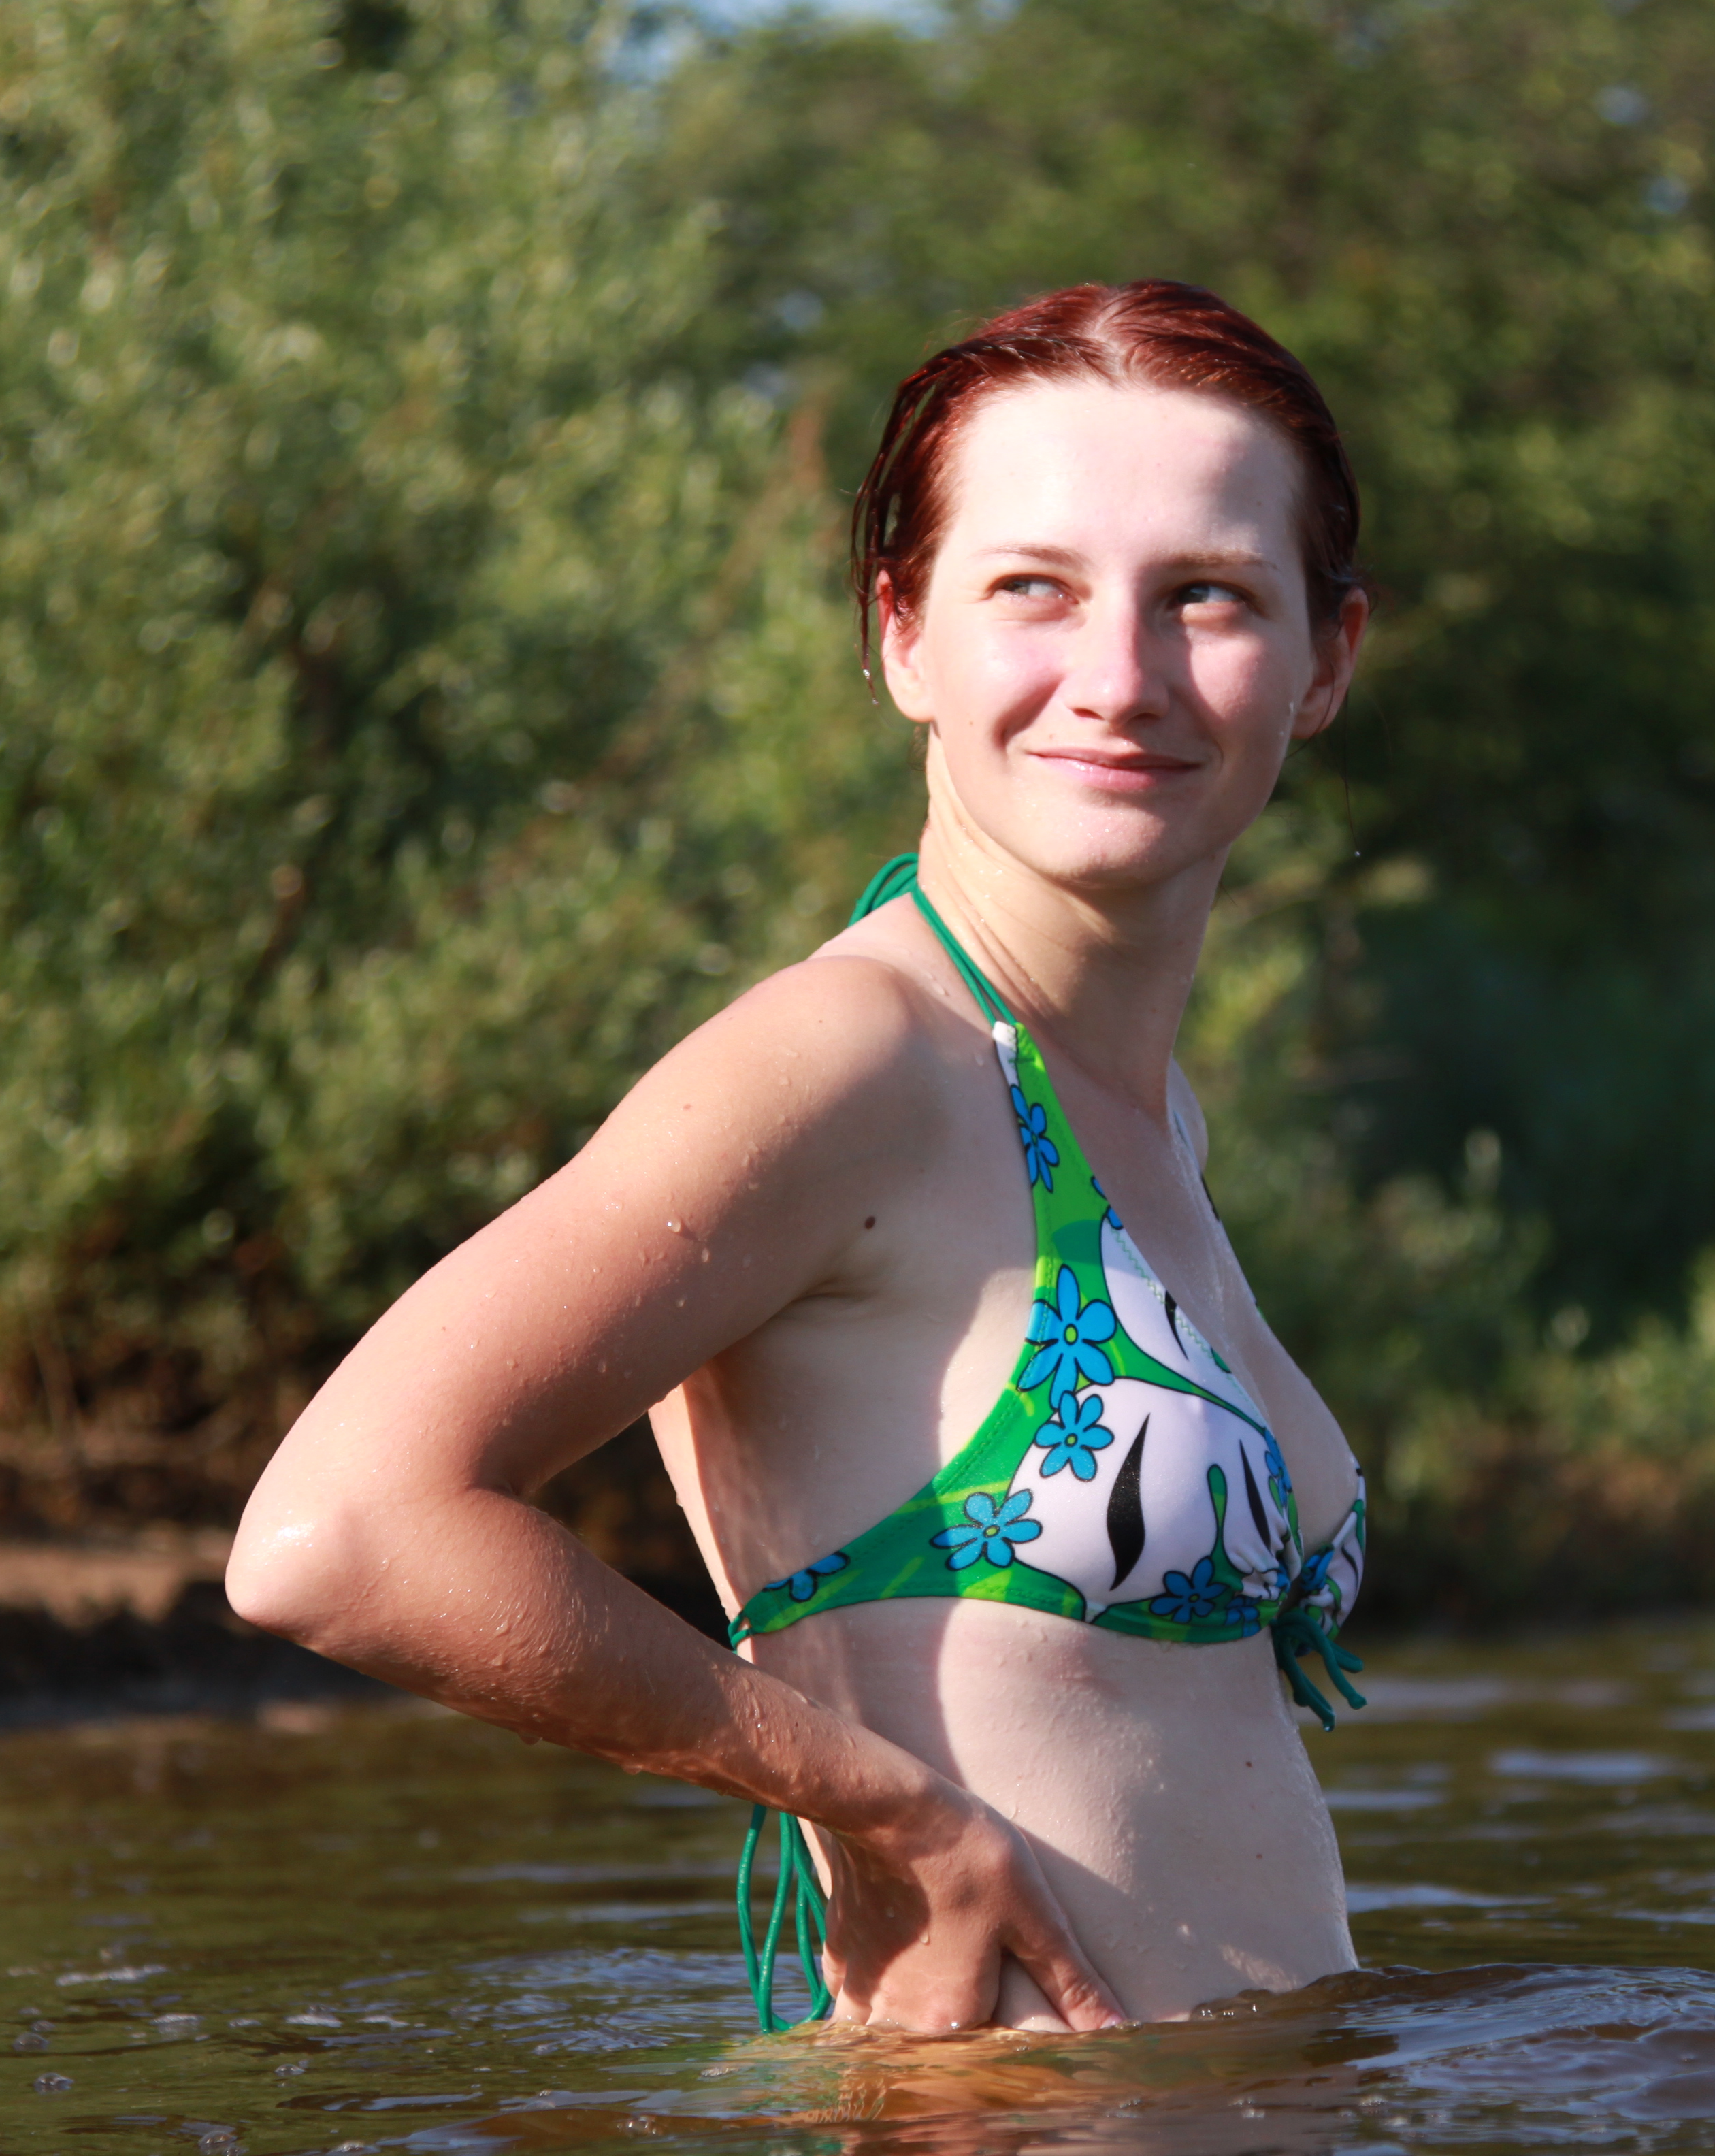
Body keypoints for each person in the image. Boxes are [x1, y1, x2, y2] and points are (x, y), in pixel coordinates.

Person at [225, 280, 1377, 2036]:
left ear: (1327, 659)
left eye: (1205, 595)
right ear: (903, 633)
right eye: (1034, 589)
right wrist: (887, 1811)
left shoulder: (1128, 1107)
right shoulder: (854, 1061)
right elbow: (340, 1533)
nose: (1119, 678)